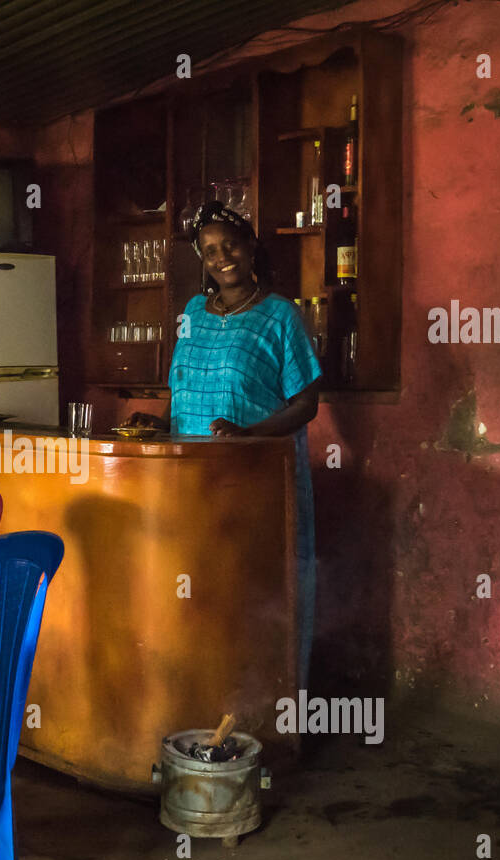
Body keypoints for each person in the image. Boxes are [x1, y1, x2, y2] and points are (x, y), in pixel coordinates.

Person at [128, 201, 321, 687]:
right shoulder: (193, 312)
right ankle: (198, 690)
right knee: (194, 586)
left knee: (248, 587)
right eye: (210, 250)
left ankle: (261, 702)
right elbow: (184, 390)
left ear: (251, 246)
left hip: (253, 478)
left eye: (230, 244)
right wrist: (157, 423)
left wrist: (248, 436)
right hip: (187, 476)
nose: (222, 257)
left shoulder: (281, 317)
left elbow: (306, 404)